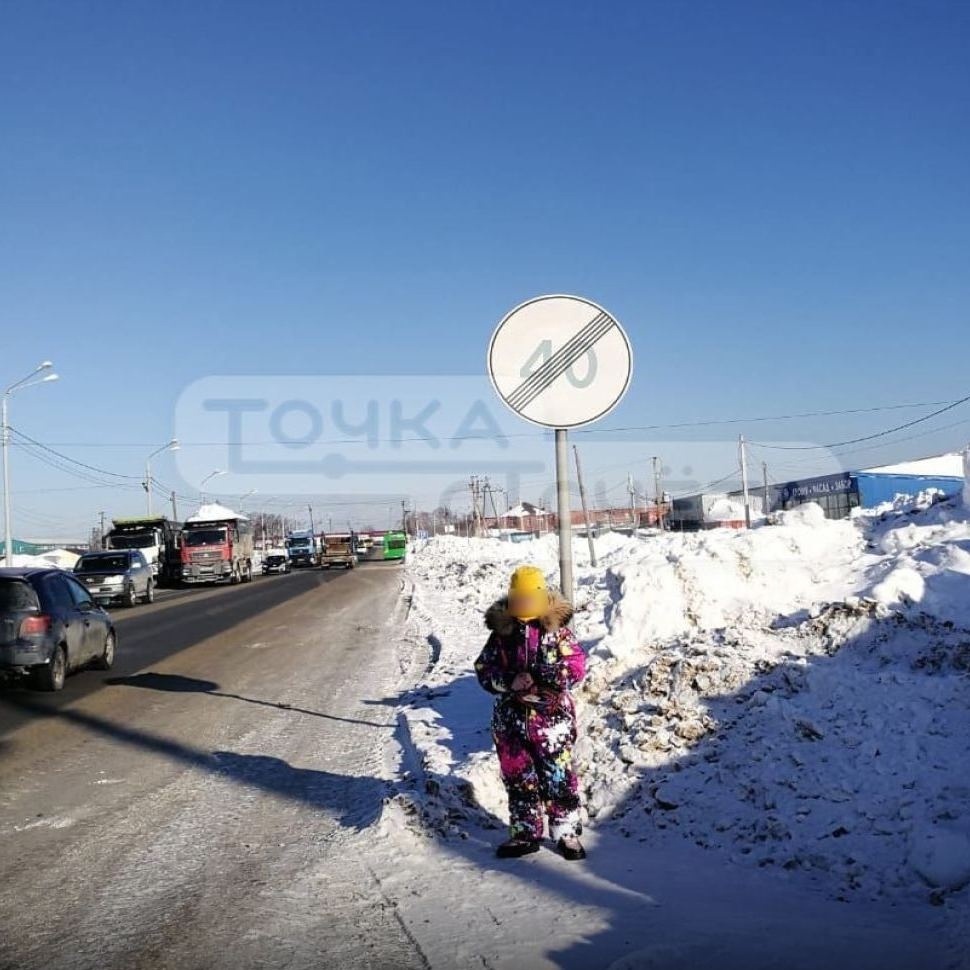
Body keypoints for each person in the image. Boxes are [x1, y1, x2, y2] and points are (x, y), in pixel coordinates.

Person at [474, 565, 587, 860]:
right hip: (510, 722)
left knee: (558, 777)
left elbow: (576, 667)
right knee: (518, 777)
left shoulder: (558, 633)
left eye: (529, 599)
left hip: (551, 721)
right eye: (518, 599)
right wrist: (508, 681)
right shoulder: (501, 635)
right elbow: (484, 668)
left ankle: (566, 831)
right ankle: (525, 831)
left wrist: (544, 676)